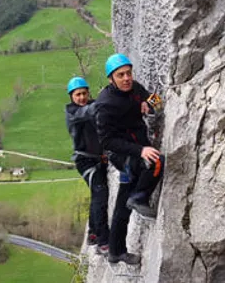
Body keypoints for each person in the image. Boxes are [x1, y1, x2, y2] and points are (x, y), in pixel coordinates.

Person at [96, 53, 164, 266]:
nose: (126, 78)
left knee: (122, 205)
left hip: (137, 147)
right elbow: (107, 141)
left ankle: (116, 251)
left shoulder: (135, 88)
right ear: (111, 79)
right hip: (123, 154)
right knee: (156, 161)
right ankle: (140, 197)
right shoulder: (105, 104)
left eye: (128, 73)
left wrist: (149, 104)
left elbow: (157, 98)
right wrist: (140, 150)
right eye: (120, 75)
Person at [64, 76, 109, 256]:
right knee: (101, 196)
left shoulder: (91, 105)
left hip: (98, 159)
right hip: (86, 162)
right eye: (78, 95)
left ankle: (92, 233)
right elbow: (90, 111)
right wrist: (107, 100)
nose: (81, 97)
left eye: (84, 93)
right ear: (71, 97)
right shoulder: (73, 113)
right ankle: (103, 241)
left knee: (96, 195)